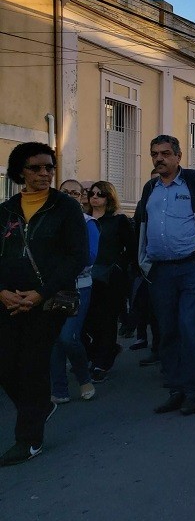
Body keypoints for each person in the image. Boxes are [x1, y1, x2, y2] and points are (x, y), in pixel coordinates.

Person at [0, 143, 89, 465]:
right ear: (20, 171)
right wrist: (2, 291)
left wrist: (41, 293)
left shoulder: (65, 207)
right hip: (9, 301)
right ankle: (40, 407)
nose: (44, 173)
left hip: (48, 301)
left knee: (32, 366)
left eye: (49, 167)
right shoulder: (6, 210)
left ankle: (29, 440)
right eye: (35, 168)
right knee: (6, 365)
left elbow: (77, 256)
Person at [136, 135, 195, 416]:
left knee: (189, 327)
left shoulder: (194, 181)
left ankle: (194, 391)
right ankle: (176, 390)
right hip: (160, 270)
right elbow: (142, 226)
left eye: (165, 153)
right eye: (154, 154)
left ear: (178, 156)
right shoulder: (150, 187)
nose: (159, 158)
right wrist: (145, 262)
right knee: (167, 331)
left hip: (191, 268)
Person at [50, 180, 99, 404]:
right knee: (54, 338)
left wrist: (61, 267)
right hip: (52, 288)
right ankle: (59, 389)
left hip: (78, 286)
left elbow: (89, 256)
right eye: (65, 192)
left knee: (68, 337)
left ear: (82, 197)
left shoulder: (88, 223)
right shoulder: (50, 221)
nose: (70, 196)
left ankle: (84, 378)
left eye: (75, 193)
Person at [83, 181, 135, 383]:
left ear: (109, 197)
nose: (95, 197)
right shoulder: (84, 220)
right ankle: (100, 352)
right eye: (92, 193)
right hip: (85, 277)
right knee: (86, 321)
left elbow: (131, 248)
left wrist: (118, 265)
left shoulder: (118, 220)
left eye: (100, 194)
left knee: (106, 320)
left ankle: (101, 363)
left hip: (110, 279)